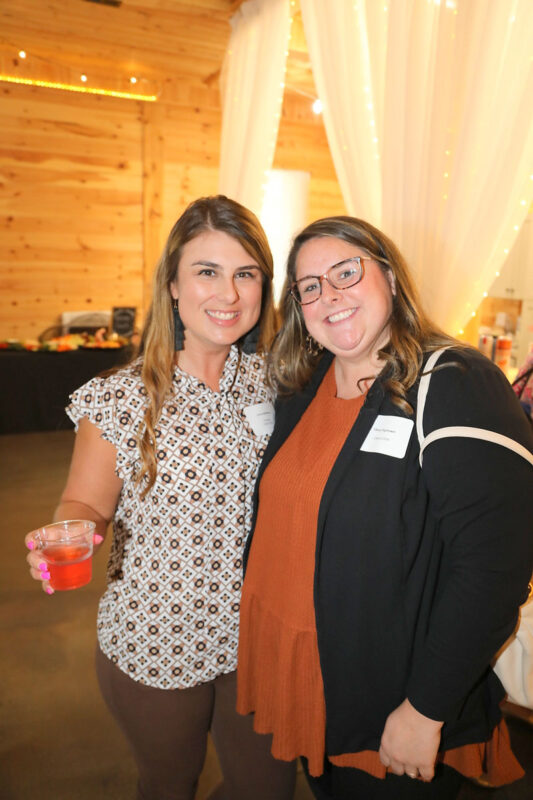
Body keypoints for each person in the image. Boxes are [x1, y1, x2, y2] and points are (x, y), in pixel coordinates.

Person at [236, 215, 533, 799]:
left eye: (346, 272)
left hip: (394, 700)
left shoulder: (454, 381)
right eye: (310, 286)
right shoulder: (306, 384)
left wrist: (424, 710)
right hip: (313, 679)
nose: (330, 294)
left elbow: (494, 570)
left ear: (391, 278)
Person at [25, 195, 297, 800]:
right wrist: (72, 533)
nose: (228, 294)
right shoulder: (120, 398)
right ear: (172, 285)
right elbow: (84, 505)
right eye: (207, 271)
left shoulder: (282, 386)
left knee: (267, 789)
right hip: (158, 638)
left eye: (246, 274)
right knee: (170, 785)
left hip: (259, 640)